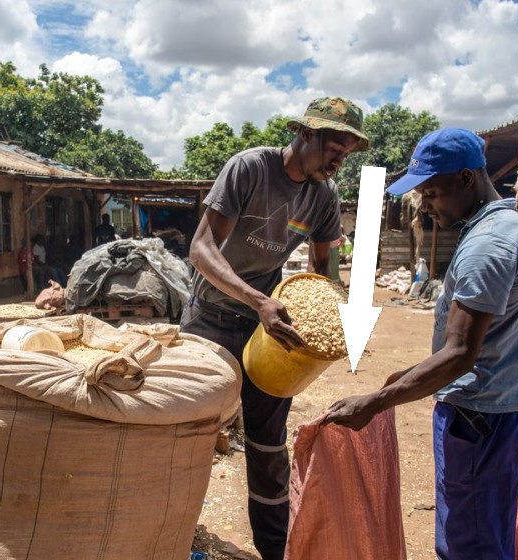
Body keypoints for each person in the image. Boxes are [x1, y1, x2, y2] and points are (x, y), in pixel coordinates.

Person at [321, 128, 518, 560]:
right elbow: (479, 341)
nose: (425, 205)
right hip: (502, 409)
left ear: (466, 179)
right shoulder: (507, 224)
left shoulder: (486, 246)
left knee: (469, 544)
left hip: (479, 419)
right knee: (485, 531)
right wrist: (412, 375)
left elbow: (462, 354)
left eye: (433, 192)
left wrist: (376, 401)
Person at [181, 96, 369, 560]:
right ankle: (172, 533)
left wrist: (335, 316)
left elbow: (325, 267)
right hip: (211, 320)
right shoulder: (249, 168)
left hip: (268, 332)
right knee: (190, 434)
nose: (338, 162)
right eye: (334, 150)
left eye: (345, 156)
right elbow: (202, 249)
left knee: (268, 448)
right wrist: (257, 298)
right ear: (306, 134)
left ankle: (273, 551)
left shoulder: (323, 195)